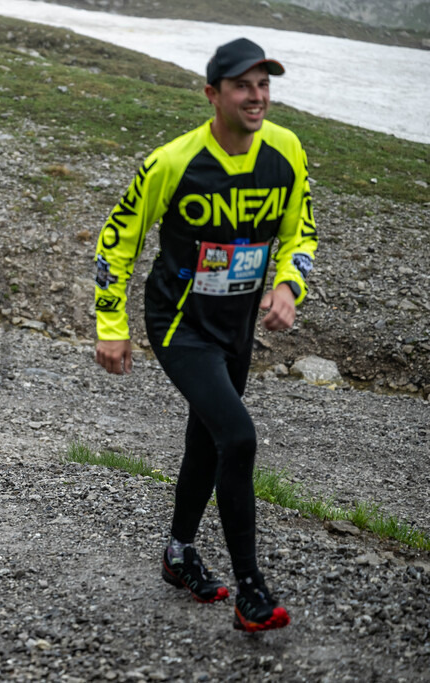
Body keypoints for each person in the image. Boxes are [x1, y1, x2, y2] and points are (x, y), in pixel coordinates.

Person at [93, 38, 317, 632]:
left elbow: (303, 233)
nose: (257, 96)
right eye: (244, 86)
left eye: (265, 84)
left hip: (238, 325)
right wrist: (112, 326)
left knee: (209, 437)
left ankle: (178, 553)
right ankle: (252, 591)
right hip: (180, 322)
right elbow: (117, 239)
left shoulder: (286, 151)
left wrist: (289, 285)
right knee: (238, 436)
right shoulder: (172, 161)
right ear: (213, 94)